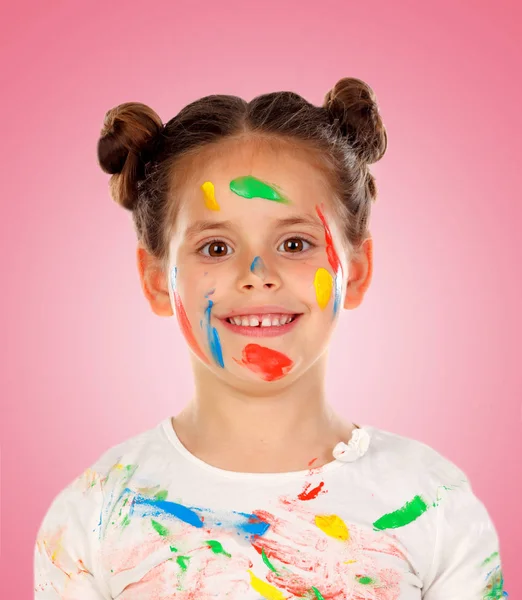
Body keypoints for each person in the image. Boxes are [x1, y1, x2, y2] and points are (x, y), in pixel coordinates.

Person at [33, 78, 508, 599]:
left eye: (295, 242)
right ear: (156, 281)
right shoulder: (94, 516)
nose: (257, 274)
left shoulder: (431, 502)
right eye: (215, 248)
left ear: (359, 269)